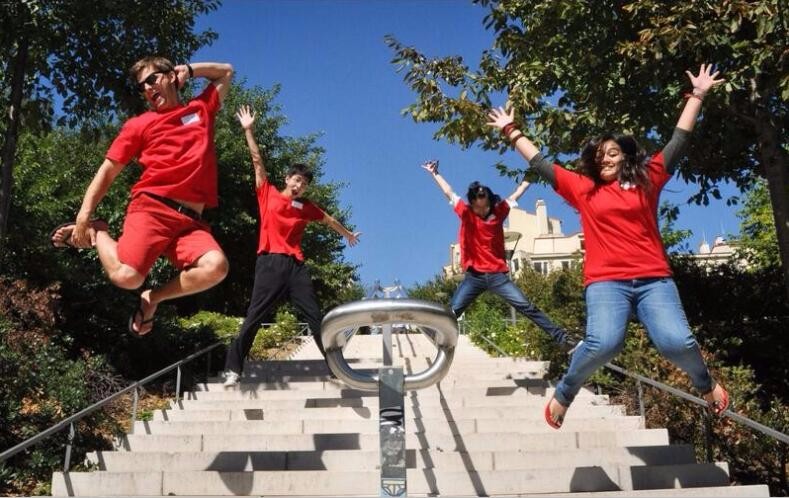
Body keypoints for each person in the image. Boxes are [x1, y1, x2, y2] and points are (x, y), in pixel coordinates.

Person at [486, 64, 730, 428]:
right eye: (599, 155)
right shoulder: (584, 190)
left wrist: (697, 95)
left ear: (626, 156)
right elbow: (541, 164)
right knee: (603, 344)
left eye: (612, 153)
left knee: (676, 341)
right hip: (606, 283)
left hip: (654, 281)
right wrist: (510, 129)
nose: (605, 158)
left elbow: (678, 140)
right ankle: (566, 393)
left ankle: (705, 384)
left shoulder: (648, 178)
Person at [50, 56, 234, 338]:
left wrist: (190, 69)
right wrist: (85, 215)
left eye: (152, 79)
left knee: (216, 268)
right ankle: (101, 232)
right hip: (152, 208)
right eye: (141, 87)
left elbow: (225, 72)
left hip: (191, 223)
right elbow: (108, 170)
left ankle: (153, 298)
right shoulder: (139, 124)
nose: (147, 89)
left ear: (170, 76)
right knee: (127, 277)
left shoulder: (201, 110)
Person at [222, 105, 361, 387]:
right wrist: (248, 130)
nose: (300, 186)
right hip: (270, 263)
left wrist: (347, 233)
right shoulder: (268, 194)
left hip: (295, 266)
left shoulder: (305, 207)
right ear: (287, 179)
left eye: (305, 183)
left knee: (315, 317)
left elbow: (328, 219)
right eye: (297, 180)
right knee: (254, 317)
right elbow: (257, 161)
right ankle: (233, 368)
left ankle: (336, 369)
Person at [421, 159, 576, 351]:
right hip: (474, 277)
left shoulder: (499, 212)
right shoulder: (465, 213)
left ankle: (562, 339)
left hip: (497, 277)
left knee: (526, 306)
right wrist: (435, 173)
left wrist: (532, 174)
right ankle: (433, 332)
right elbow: (449, 192)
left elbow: (518, 192)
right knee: (452, 312)